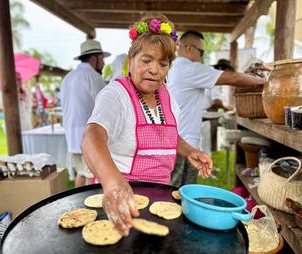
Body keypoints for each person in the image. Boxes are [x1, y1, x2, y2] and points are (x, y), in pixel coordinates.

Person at [82, 16, 212, 236]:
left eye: (163, 64)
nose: (155, 70)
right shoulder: (116, 95)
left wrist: (189, 151)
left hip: (161, 197)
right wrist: (113, 183)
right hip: (121, 201)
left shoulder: (167, 96)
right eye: (146, 60)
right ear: (131, 60)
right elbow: (92, 137)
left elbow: (167, 134)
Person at [167, 30, 266, 187]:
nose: (202, 57)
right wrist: (263, 82)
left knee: (177, 192)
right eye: (202, 52)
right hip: (184, 144)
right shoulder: (190, 69)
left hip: (177, 141)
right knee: (177, 192)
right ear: (189, 49)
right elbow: (233, 78)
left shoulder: (176, 69)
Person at [61, 39, 110, 188]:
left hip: (71, 134)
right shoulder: (93, 77)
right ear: (94, 59)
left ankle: (78, 208)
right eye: (102, 59)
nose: (103, 64)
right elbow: (105, 104)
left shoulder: (68, 77)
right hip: (87, 134)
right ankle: (87, 210)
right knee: (90, 175)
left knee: (81, 173)